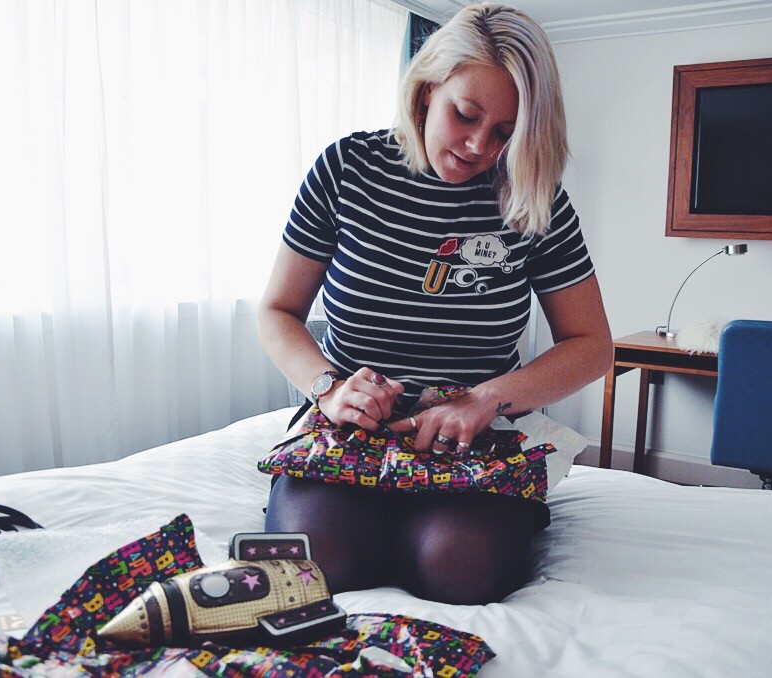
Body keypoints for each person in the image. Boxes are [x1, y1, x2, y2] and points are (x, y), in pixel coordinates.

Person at [257, 3, 611, 605]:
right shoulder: (347, 170)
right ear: (426, 91)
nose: (479, 146)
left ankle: (419, 526)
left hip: (472, 436)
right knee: (315, 564)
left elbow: (592, 345)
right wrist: (328, 389)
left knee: (457, 567)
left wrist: (485, 399)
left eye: (505, 132)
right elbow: (277, 311)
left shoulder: (534, 198)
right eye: (465, 115)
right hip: (351, 427)